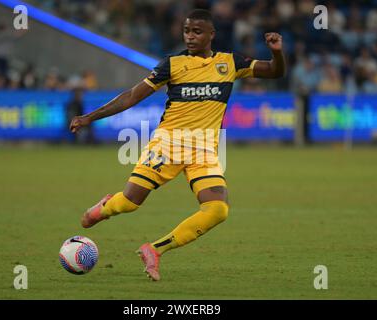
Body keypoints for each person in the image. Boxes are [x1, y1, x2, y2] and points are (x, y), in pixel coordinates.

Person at [69, 9, 285, 281]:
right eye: (187, 31)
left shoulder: (230, 62)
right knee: (130, 202)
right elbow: (132, 97)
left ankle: (154, 250)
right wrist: (90, 117)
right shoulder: (171, 64)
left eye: (197, 31)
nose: (190, 36)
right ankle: (105, 208)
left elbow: (275, 72)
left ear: (211, 35)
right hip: (168, 144)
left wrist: (276, 52)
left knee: (218, 209)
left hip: (204, 149)